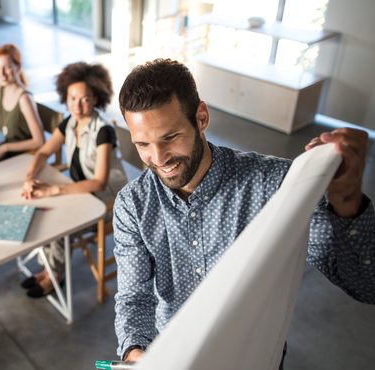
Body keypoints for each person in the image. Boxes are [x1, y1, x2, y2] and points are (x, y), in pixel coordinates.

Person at [112, 59, 374, 363]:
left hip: (255, 357)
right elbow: (134, 298)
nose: (158, 158)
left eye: (170, 137)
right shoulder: (132, 205)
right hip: (176, 360)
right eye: (143, 144)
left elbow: (366, 285)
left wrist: (348, 205)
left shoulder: (276, 186)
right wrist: (135, 353)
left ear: (201, 117)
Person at [20, 62, 127, 298]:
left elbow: (99, 182)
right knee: (44, 210)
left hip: (107, 201)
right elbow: (43, 152)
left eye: (85, 99)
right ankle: (49, 268)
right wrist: (30, 178)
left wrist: (53, 190)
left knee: (60, 223)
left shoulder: (103, 131)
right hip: (82, 192)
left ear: (96, 98)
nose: (77, 106)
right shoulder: (69, 122)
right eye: (72, 98)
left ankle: (54, 275)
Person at [0, 44, 44, 168]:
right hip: (7, 152)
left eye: (7, 67)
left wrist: (6, 147)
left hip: (24, 157)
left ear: (18, 67)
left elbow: (39, 141)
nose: (1, 73)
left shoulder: (24, 98)